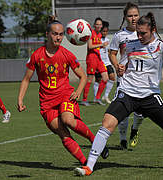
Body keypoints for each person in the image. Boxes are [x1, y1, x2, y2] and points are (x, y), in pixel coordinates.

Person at [74, 12, 163, 176]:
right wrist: (120, 69)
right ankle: (89, 166)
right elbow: (121, 67)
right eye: (138, 32)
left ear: (153, 30)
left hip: (150, 97)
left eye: (143, 33)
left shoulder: (161, 45)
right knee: (107, 124)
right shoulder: (130, 45)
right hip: (127, 93)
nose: (140, 36)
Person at [17, 18, 108, 165]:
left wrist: (78, 91)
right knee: (62, 133)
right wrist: (20, 99)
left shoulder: (67, 54)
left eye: (61, 34)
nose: (58, 37)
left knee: (68, 120)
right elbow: (26, 79)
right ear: (47, 34)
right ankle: (86, 164)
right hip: (47, 102)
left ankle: (95, 141)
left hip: (65, 95)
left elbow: (83, 76)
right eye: (55, 34)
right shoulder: (37, 55)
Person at [108, 2, 144, 150]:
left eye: (136, 15)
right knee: (122, 111)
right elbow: (112, 53)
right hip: (124, 78)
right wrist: (117, 66)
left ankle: (134, 130)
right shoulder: (119, 35)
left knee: (140, 112)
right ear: (125, 17)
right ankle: (123, 139)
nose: (133, 18)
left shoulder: (145, 33)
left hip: (142, 77)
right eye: (130, 15)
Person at [80, 17, 109, 106]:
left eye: (100, 24)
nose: (99, 26)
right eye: (97, 24)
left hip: (98, 58)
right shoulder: (90, 33)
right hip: (91, 58)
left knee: (105, 78)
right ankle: (84, 100)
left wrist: (103, 46)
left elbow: (97, 46)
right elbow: (90, 46)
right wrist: (101, 44)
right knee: (90, 79)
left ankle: (97, 98)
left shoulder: (99, 35)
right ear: (94, 25)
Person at [93, 21, 116, 104]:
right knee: (98, 80)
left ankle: (106, 96)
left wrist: (113, 62)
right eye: (103, 31)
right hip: (98, 62)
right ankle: (96, 97)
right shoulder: (96, 39)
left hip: (107, 63)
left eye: (106, 31)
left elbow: (109, 52)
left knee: (112, 77)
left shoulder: (107, 40)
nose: (105, 33)